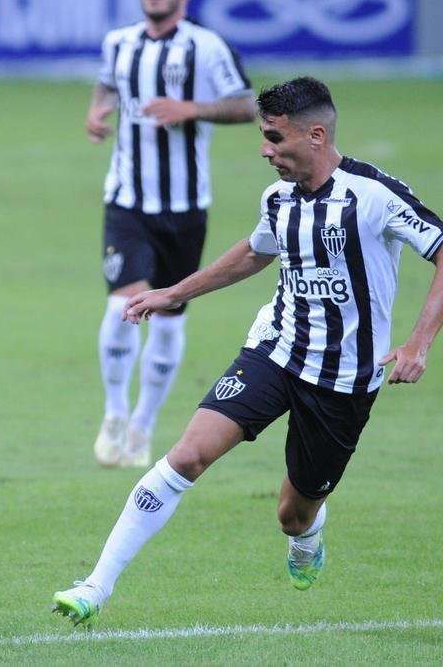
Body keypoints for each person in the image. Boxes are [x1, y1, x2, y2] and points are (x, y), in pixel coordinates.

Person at [53, 76, 443, 626]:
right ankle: (95, 586)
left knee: (292, 514)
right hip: (274, 350)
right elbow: (254, 253)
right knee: (187, 455)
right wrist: (173, 293)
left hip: (344, 378)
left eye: (274, 138)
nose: (265, 149)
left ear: (314, 135)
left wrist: (419, 342)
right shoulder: (278, 199)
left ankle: (309, 532)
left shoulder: (374, 196)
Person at [86, 0, 256, 468]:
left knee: (168, 316)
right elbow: (108, 84)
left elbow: (247, 104)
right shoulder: (119, 42)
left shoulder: (206, 46)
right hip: (127, 201)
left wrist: (192, 108)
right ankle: (115, 411)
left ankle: (143, 424)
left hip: (185, 208)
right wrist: (97, 111)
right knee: (122, 305)